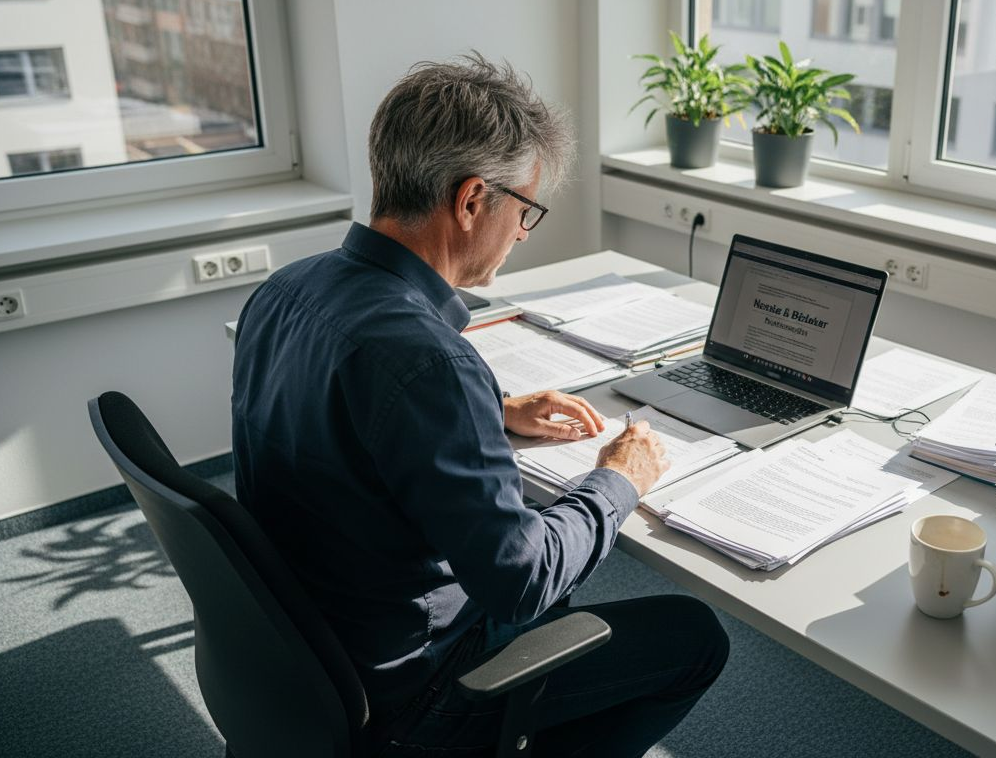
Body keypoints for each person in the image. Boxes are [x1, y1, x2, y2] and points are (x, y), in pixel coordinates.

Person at [230, 55, 729, 756]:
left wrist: (493, 408)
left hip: (310, 650)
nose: (523, 232)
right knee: (694, 636)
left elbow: (342, 424)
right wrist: (620, 479)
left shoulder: (284, 290)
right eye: (525, 210)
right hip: (411, 692)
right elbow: (520, 583)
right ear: (470, 201)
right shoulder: (431, 365)